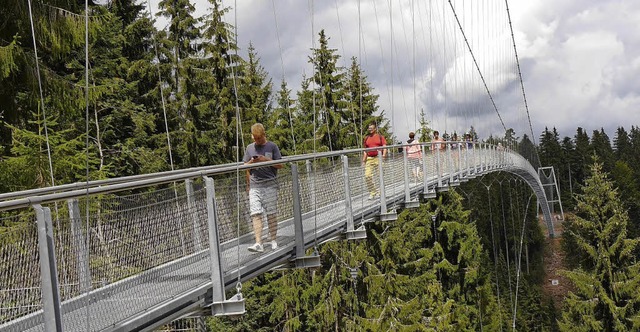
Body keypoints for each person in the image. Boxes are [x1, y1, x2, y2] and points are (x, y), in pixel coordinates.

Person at [243, 123, 283, 253]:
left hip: (270, 185)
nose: (256, 141)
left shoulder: (272, 146)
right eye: (254, 138)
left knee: (271, 214)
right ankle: (258, 242)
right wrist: (252, 162)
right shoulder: (249, 148)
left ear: (263, 135)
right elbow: (245, 166)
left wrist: (265, 160)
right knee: (255, 214)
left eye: (258, 138)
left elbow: (280, 165)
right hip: (255, 186)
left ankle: (273, 240)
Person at [362, 122, 387, 200]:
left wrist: (383, 155)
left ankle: (381, 192)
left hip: (378, 157)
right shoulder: (366, 138)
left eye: (371, 128)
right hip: (369, 159)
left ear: (375, 129)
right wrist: (363, 161)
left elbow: (384, 147)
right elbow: (365, 150)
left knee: (380, 175)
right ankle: (373, 192)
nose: (370, 130)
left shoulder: (380, 137)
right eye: (369, 129)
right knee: (367, 176)